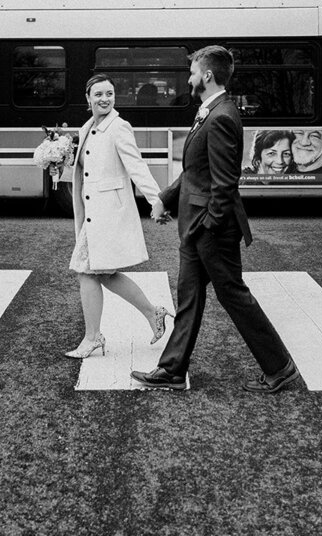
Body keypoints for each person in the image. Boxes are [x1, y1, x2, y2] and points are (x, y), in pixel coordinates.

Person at [132, 45, 300, 393]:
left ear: (207, 76)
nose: (190, 78)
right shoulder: (211, 111)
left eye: (193, 72)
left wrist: (206, 225)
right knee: (189, 294)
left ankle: (280, 367)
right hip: (197, 226)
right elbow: (197, 172)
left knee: (233, 295)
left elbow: (224, 184)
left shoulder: (221, 116)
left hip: (211, 228)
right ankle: (173, 370)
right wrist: (165, 199)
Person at [64, 73, 172, 359]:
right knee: (103, 273)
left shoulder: (119, 127)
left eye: (109, 94)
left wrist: (157, 200)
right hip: (93, 212)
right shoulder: (88, 126)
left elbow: (137, 167)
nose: (104, 99)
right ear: (88, 98)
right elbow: (87, 168)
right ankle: (153, 313)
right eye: (98, 94)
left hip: (109, 212)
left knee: (86, 271)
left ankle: (92, 337)